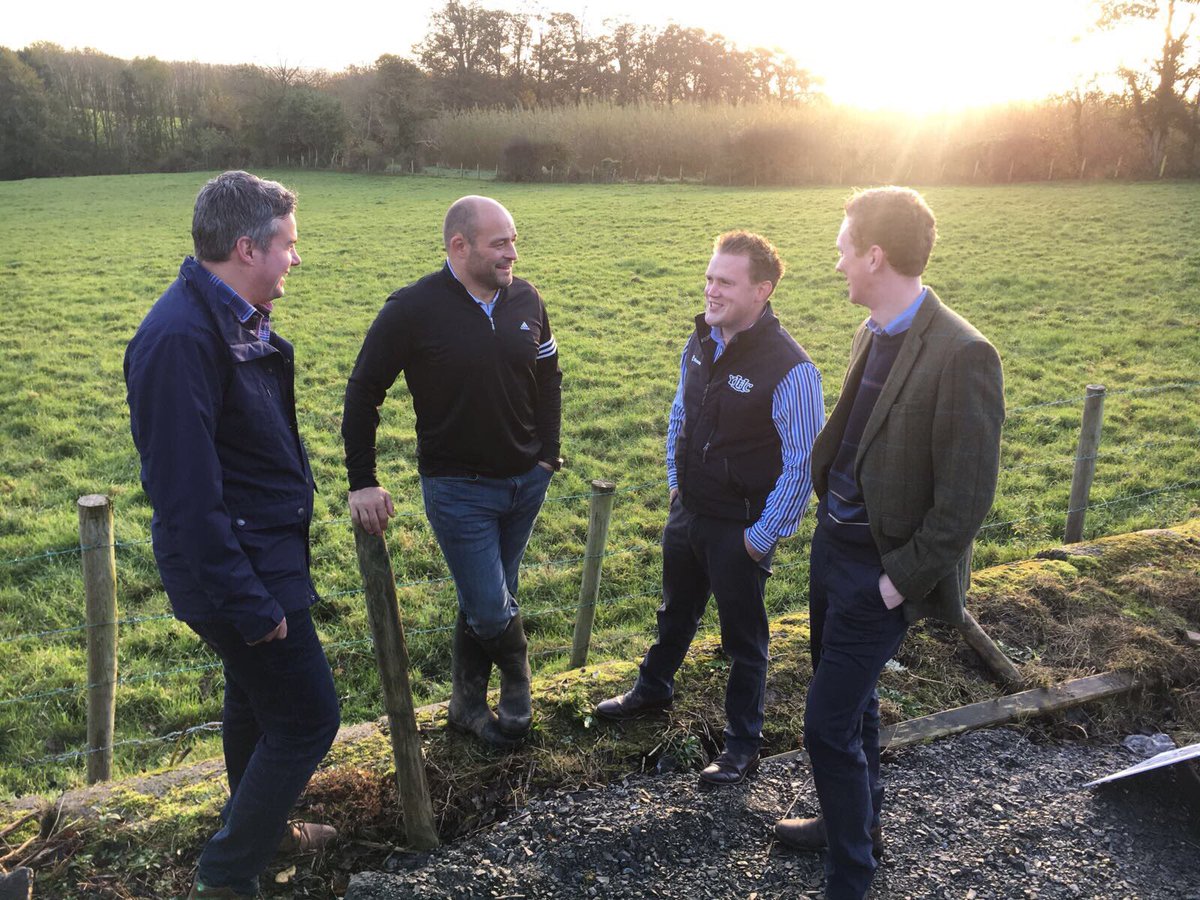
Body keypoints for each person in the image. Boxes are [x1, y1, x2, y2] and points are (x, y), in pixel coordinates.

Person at [773, 187, 1005, 899]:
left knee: (825, 724)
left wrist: (897, 582)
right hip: (833, 550)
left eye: (843, 249)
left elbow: (965, 498)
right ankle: (860, 824)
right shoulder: (872, 329)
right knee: (854, 703)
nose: (836, 261)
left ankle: (853, 872)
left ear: (875, 255)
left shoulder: (963, 355)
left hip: (879, 574)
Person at [124, 171, 340, 900]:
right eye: (288, 245)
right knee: (310, 716)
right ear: (247, 247)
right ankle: (228, 872)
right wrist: (249, 601)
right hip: (237, 569)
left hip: (260, 551)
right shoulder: (179, 339)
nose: (295, 260)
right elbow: (185, 497)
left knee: (257, 700)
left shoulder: (230, 317)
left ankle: (264, 830)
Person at [594, 231, 824, 786]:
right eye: (709, 277)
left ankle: (743, 742)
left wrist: (762, 536)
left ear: (762, 291)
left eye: (725, 281)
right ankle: (653, 688)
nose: (711, 289)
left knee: (745, 639)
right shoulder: (699, 344)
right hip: (689, 511)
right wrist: (677, 483)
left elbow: (804, 463)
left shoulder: (791, 367)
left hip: (740, 527)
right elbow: (680, 416)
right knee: (675, 610)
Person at [342, 195, 562, 749]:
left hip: (526, 482)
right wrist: (362, 479)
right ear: (458, 246)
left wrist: (547, 454)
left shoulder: (528, 299)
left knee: (487, 595)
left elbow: (550, 376)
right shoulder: (413, 310)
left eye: (514, 239)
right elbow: (364, 391)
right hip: (458, 488)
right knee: (492, 605)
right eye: (500, 243)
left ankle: (465, 706)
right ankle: (517, 680)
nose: (512, 253)